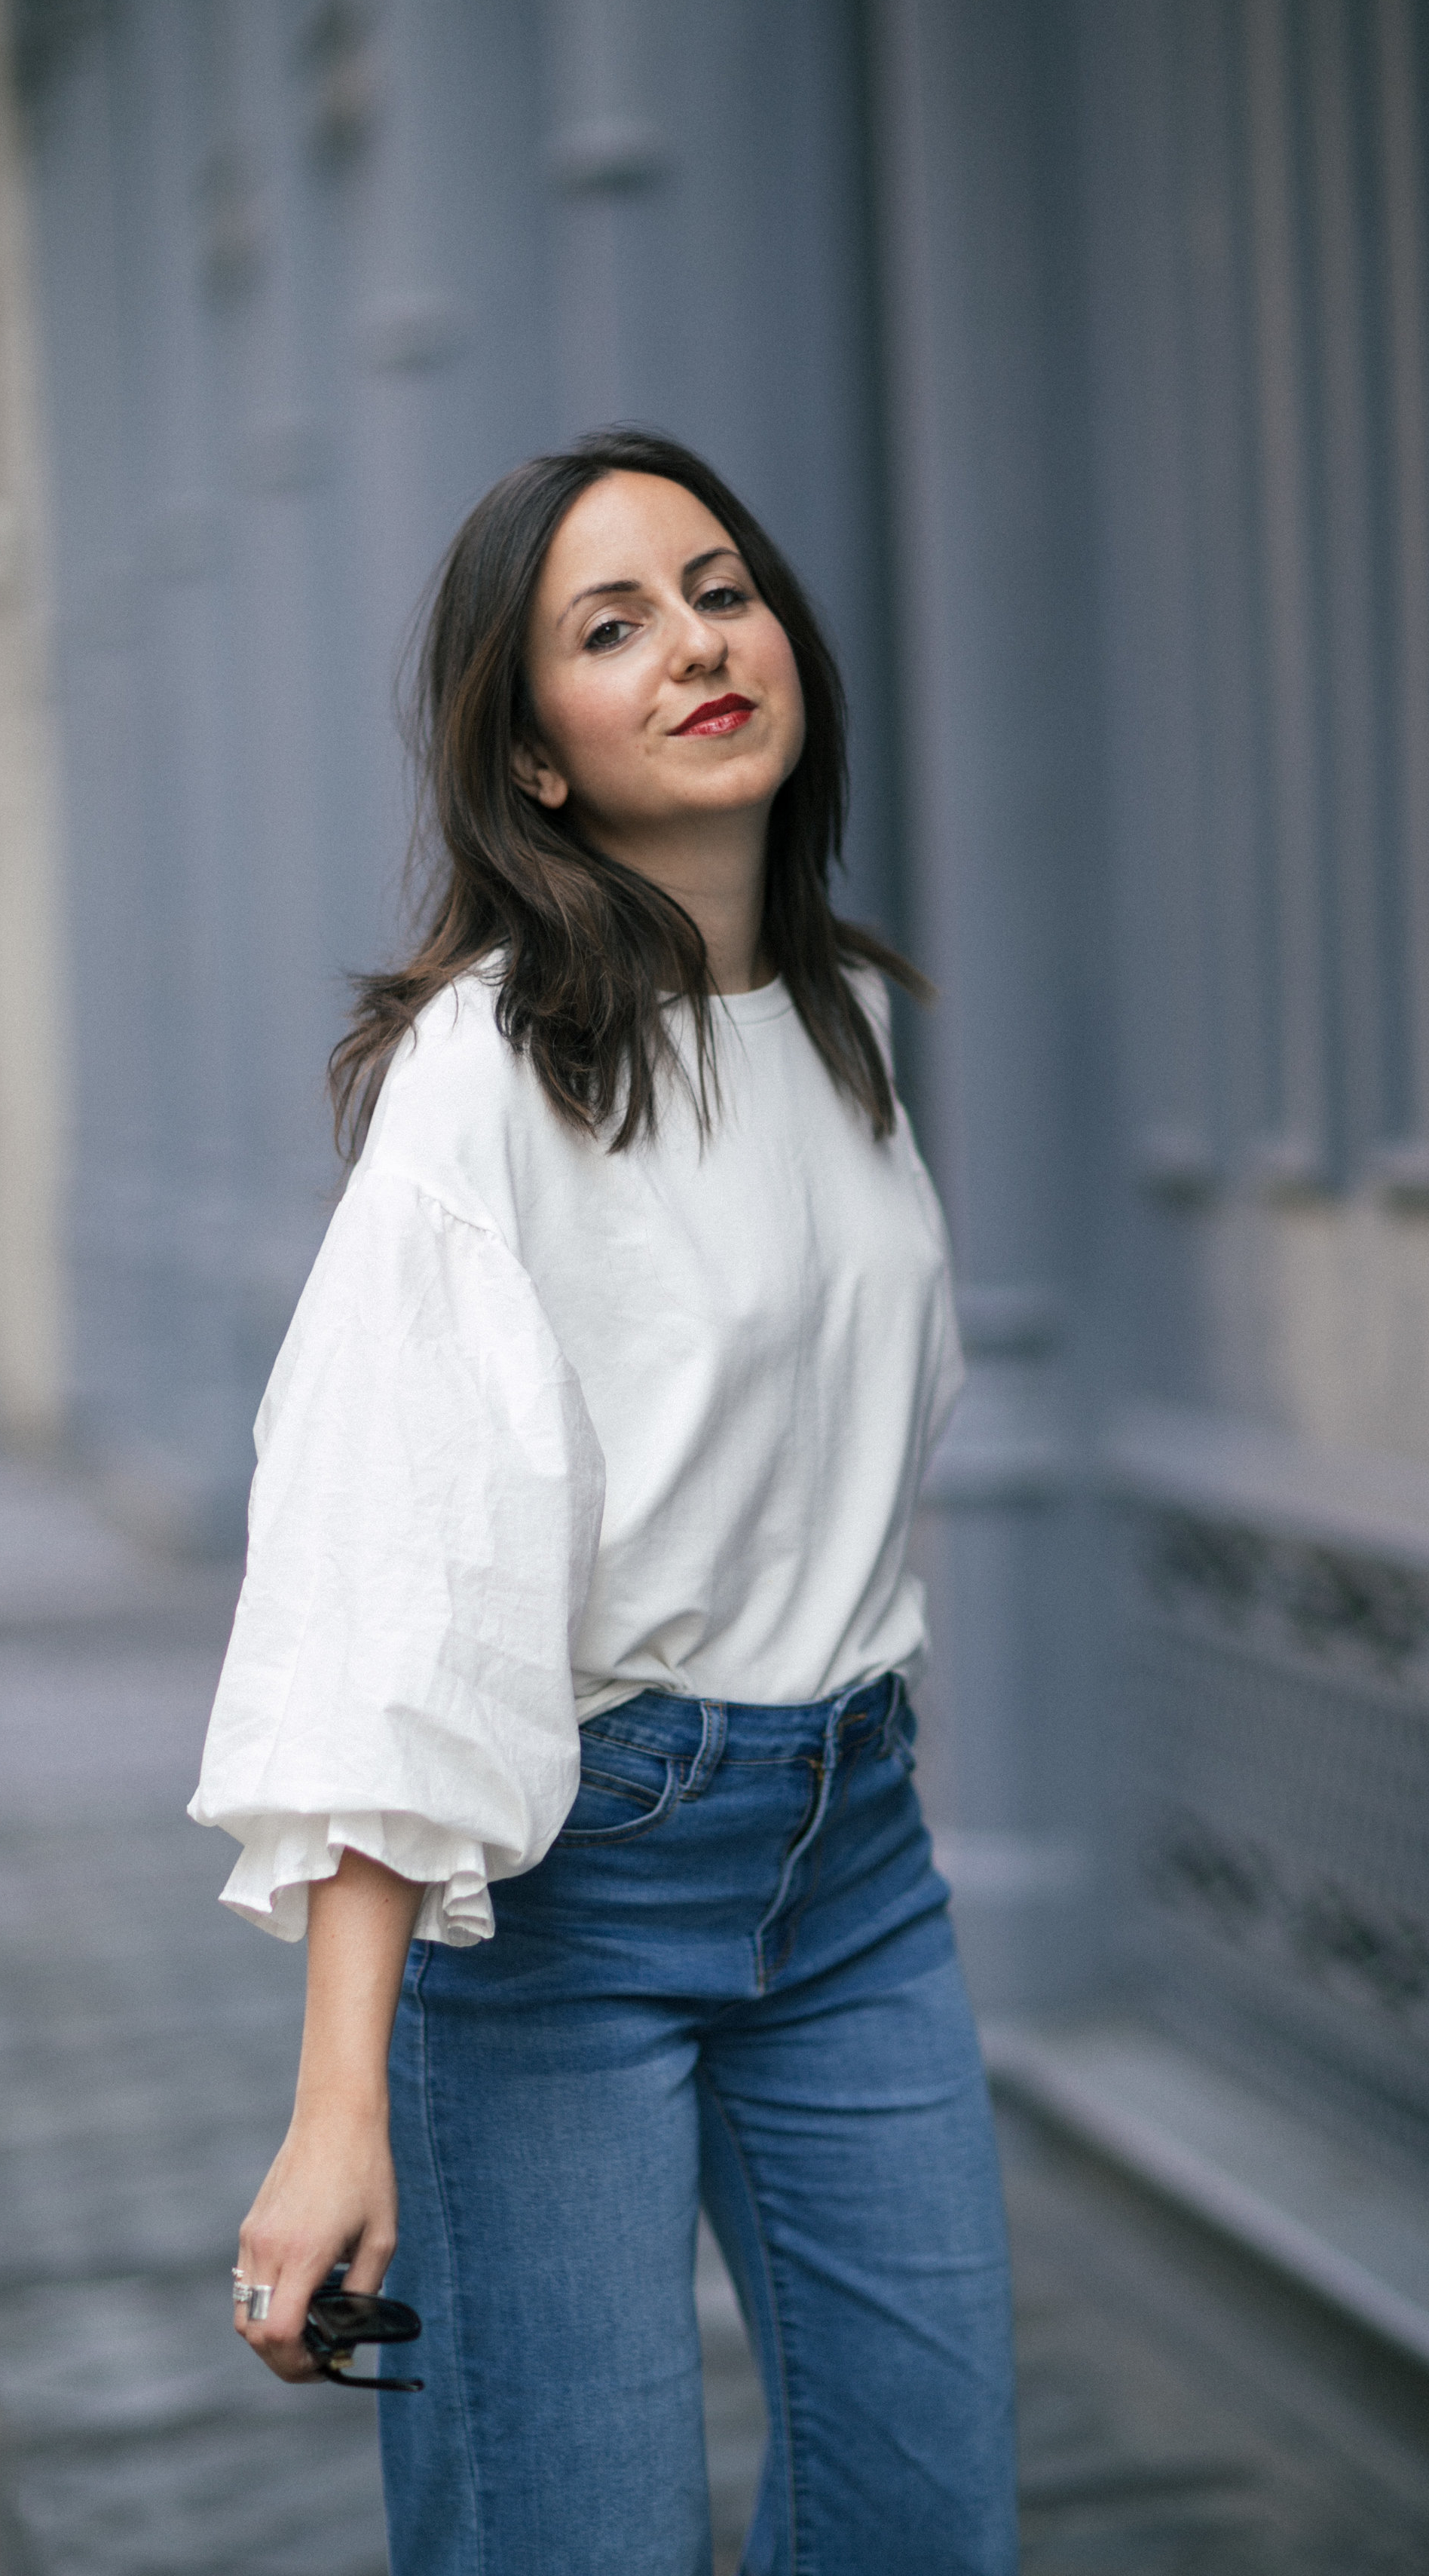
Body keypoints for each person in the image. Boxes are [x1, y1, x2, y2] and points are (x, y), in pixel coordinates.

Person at [189, 426, 1018, 2575]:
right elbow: (397, 1585)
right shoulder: (492, 1074)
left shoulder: (840, 1022)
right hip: (571, 1890)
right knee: (578, 2537)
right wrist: (337, 2106)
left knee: (928, 2516)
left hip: (854, 1864)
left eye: (720, 591)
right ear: (533, 754)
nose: (695, 648)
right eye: (611, 626)